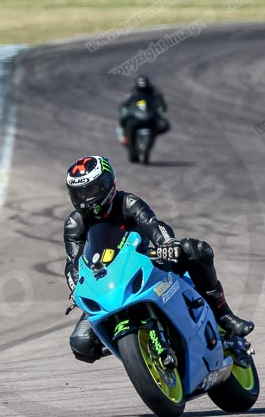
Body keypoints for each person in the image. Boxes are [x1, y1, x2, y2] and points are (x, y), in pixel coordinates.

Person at [64, 156, 254, 364]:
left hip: (146, 264)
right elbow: (73, 263)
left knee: (196, 250)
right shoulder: (75, 224)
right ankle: (137, 348)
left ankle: (223, 314)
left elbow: (153, 225)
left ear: (107, 185)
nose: (84, 198)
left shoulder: (128, 203)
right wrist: (76, 288)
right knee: (81, 343)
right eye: (78, 193)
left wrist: (167, 244)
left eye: (89, 190)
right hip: (107, 284)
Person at [118, 75, 170, 160]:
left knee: (165, 125)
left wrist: (160, 112)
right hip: (135, 116)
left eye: (144, 87)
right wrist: (125, 112)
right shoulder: (132, 92)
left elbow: (161, 104)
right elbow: (125, 104)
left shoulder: (155, 92)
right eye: (141, 87)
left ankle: (151, 138)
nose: (143, 89)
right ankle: (131, 149)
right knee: (126, 124)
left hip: (150, 116)